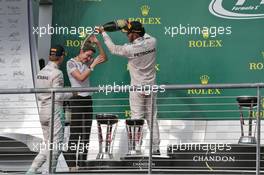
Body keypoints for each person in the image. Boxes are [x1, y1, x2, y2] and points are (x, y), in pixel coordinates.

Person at [98, 21, 160, 155]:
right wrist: (129, 26)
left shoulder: (130, 49)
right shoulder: (153, 41)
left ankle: (136, 150)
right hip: (151, 87)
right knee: (152, 119)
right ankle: (156, 149)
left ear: (135, 34)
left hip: (137, 88)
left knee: (136, 118)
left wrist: (103, 32)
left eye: (129, 34)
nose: (127, 36)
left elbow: (113, 49)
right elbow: (143, 34)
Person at [27, 45, 72, 174]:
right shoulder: (57, 73)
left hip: (42, 111)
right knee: (56, 146)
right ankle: (48, 172)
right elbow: (58, 96)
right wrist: (72, 93)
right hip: (54, 111)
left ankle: (32, 170)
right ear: (61, 56)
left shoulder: (40, 72)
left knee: (47, 145)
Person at [64, 35, 107, 169]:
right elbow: (81, 78)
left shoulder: (87, 63)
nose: (88, 59)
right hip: (76, 100)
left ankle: (82, 165)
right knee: (75, 133)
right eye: (87, 56)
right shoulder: (70, 63)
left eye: (90, 57)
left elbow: (104, 58)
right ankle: (72, 165)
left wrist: (98, 44)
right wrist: (92, 65)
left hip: (88, 99)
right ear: (81, 51)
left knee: (85, 133)